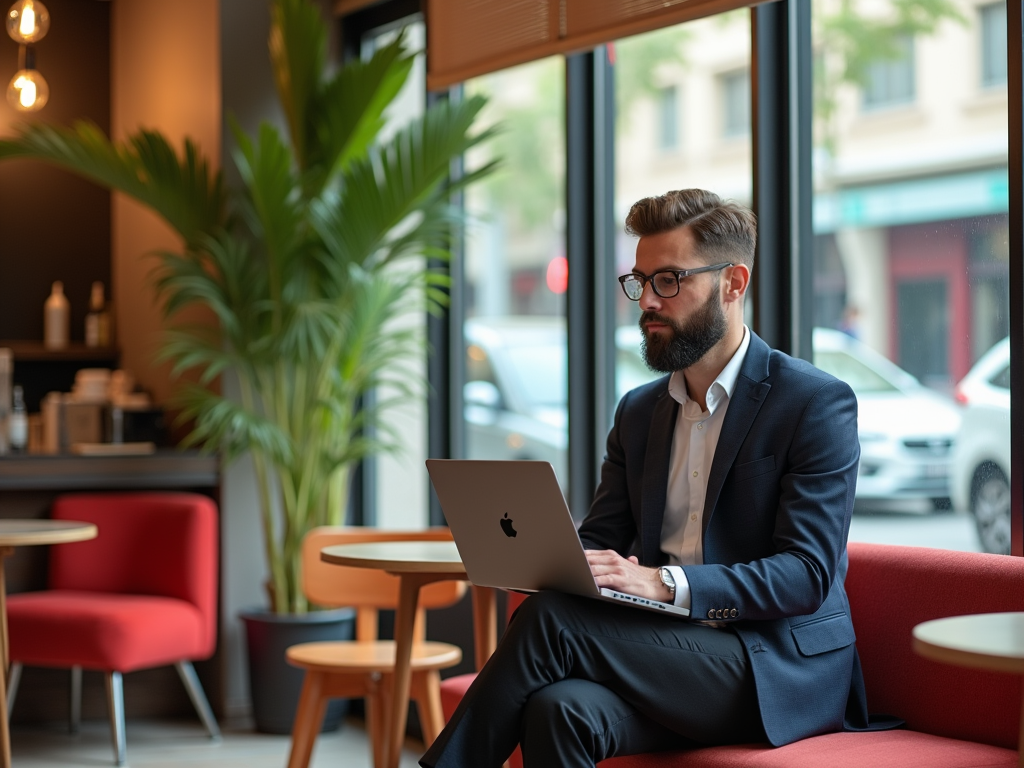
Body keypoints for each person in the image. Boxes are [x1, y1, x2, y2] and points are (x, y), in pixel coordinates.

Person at [421, 189, 878, 768]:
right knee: (558, 709)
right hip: (664, 649)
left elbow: (807, 574)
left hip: (771, 663)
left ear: (733, 283)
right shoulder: (639, 412)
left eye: (669, 280)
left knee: (550, 623)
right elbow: (603, 537)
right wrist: (548, 557)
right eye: (640, 281)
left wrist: (662, 583)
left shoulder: (813, 402)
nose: (647, 303)